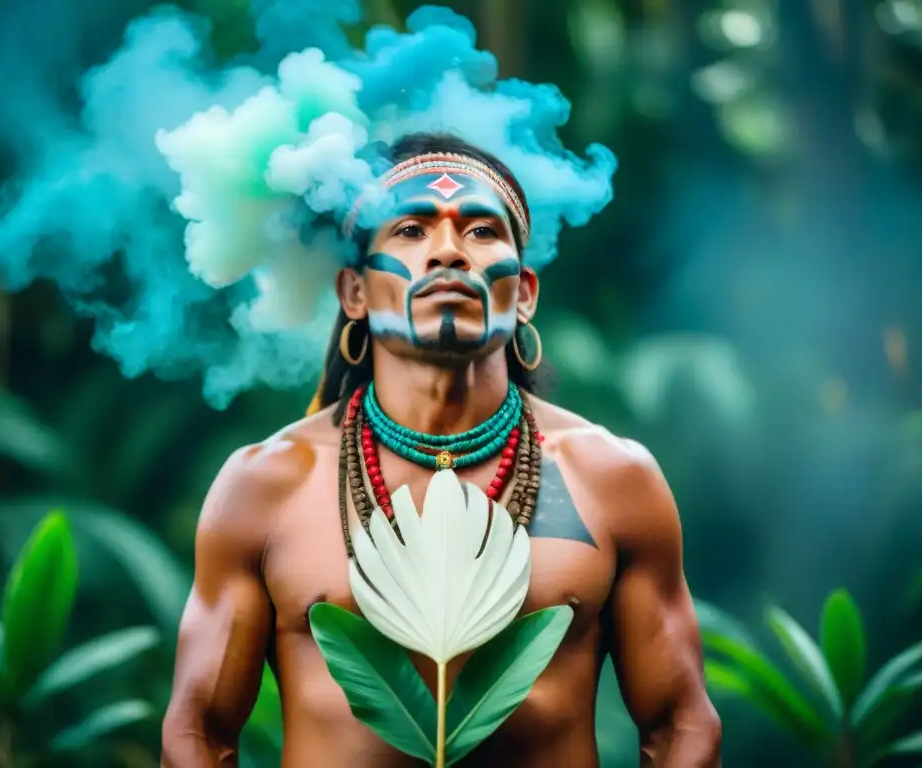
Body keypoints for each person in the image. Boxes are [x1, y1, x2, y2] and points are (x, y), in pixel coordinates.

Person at [160, 132, 722, 767]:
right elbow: (197, 734)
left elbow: (681, 726)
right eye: (409, 230)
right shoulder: (267, 484)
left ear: (526, 292)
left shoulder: (611, 477)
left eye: (482, 232)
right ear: (354, 293)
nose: (449, 251)